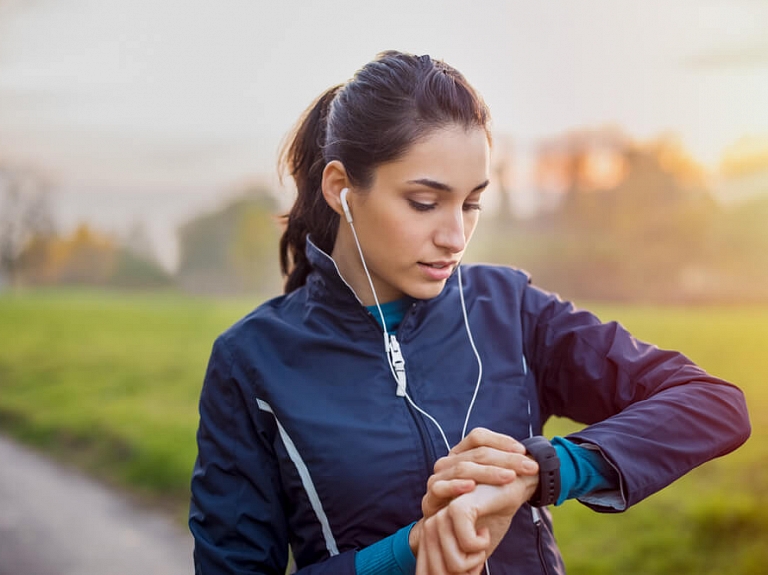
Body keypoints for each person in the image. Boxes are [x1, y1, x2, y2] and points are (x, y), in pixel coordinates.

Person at [188, 50, 751, 575]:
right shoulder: (252, 362)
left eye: (472, 202)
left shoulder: (511, 310)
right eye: (425, 202)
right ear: (341, 188)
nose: (456, 236)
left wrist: (540, 470)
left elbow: (713, 405)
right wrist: (406, 552)